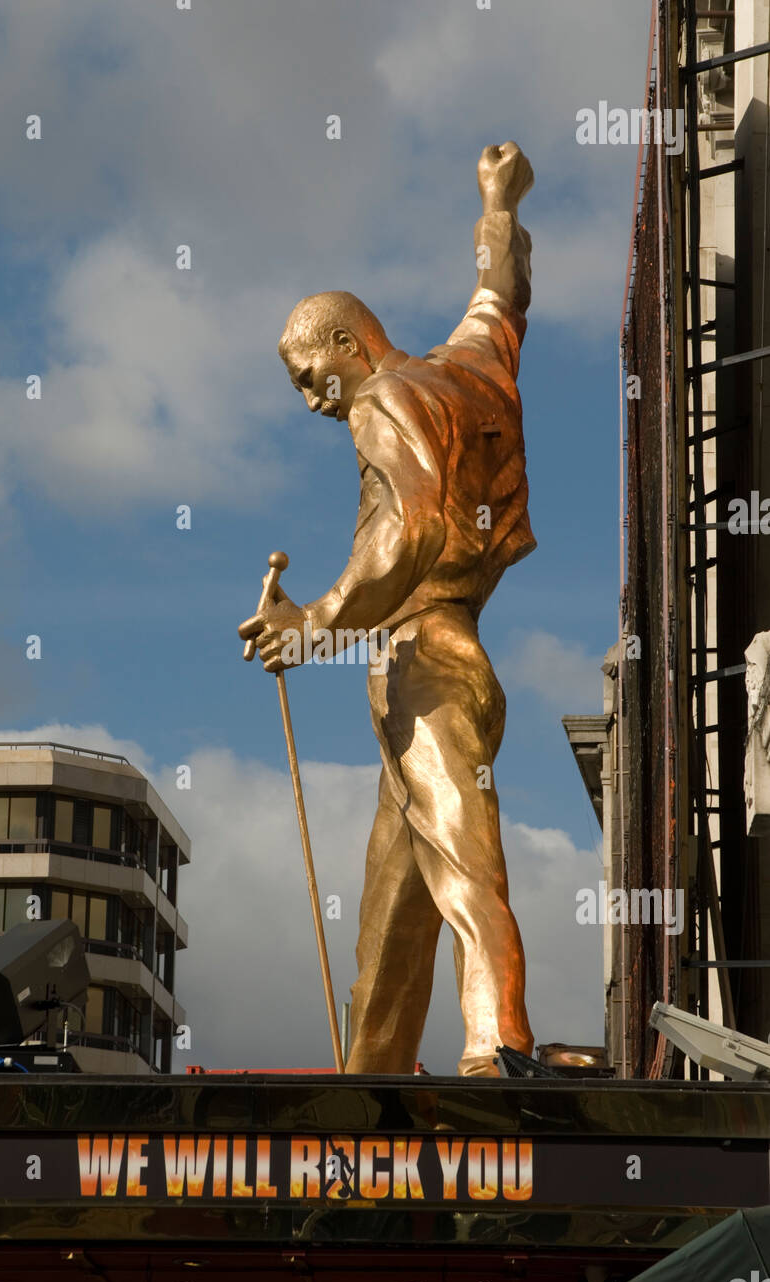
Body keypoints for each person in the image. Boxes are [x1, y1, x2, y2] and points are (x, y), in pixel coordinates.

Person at [239, 142, 536, 1076]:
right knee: (387, 935)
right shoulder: (469, 370)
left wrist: (314, 619)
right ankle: (367, 1094)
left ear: (348, 344)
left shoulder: (382, 399)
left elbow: (404, 533)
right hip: (426, 679)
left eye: (305, 374)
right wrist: (498, 202)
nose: (307, 399)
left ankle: (497, 1048)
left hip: (427, 664)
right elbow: (502, 299)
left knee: (461, 861)